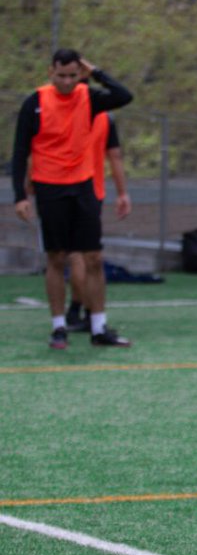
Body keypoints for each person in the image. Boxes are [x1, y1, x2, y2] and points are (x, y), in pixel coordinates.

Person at [11, 49, 133, 348]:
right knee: (56, 257)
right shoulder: (35, 102)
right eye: (61, 75)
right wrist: (20, 196)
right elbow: (19, 152)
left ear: (80, 74)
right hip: (49, 187)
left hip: (83, 186)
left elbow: (124, 95)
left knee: (94, 257)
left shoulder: (88, 97)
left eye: (72, 75)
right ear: (50, 72)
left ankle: (98, 328)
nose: (66, 82)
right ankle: (59, 327)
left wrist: (96, 72)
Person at [65, 112, 132, 333]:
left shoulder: (61, 110)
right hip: (91, 192)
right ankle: (88, 313)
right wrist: (122, 192)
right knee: (87, 255)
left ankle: (77, 310)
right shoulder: (104, 117)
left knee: (76, 255)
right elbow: (115, 156)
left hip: (61, 189)